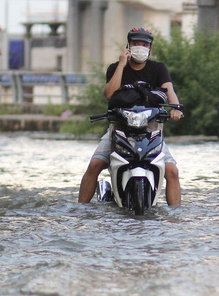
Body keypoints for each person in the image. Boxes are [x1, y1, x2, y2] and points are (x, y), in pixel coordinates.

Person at [78, 27, 183, 205]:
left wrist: (176, 108)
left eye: (144, 44)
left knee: (172, 171)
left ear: (150, 48)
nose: (140, 47)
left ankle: (175, 217)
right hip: (119, 128)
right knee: (95, 165)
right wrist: (121, 64)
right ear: (128, 46)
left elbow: (169, 90)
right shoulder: (115, 68)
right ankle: (80, 209)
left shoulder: (158, 68)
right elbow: (110, 95)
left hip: (151, 130)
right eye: (136, 44)